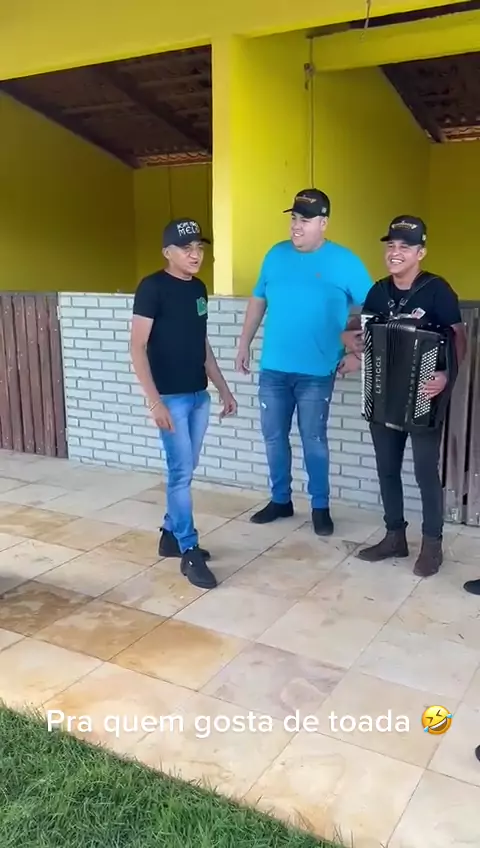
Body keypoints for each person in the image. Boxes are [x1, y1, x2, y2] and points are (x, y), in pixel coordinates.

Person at [235, 188, 374, 536]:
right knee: (273, 437)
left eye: (306, 220)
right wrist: (244, 342)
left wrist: (357, 353)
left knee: (313, 439)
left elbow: (375, 311)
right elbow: (258, 300)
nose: (296, 226)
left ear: (323, 223)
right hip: (274, 367)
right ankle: (280, 500)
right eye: (294, 218)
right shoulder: (275, 255)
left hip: (317, 370)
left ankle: (320, 507)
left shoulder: (345, 262)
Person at [341, 215, 467, 577]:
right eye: (391, 245)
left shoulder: (437, 290)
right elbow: (361, 332)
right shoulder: (378, 291)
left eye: (405, 247)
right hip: (381, 392)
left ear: (420, 253)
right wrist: (349, 341)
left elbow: (458, 339)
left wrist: (446, 375)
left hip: (425, 393)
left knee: (425, 471)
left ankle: (432, 545)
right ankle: (394, 536)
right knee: (386, 469)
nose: (395, 252)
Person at [130, 218, 237, 590]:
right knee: (181, 474)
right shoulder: (152, 288)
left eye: (199, 248)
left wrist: (223, 389)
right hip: (170, 398)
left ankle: (169, 535)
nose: (195, 255)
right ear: (167, 252)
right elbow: (137, 347)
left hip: (197, 396)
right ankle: (189, 549)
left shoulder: (199, 289)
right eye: (186, 248)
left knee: (186, 468)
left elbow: (200, 342)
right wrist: (154, 401)